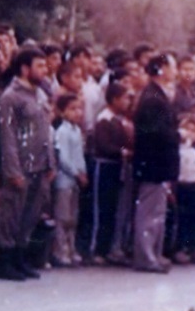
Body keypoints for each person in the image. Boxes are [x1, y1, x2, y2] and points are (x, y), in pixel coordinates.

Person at [0, 47, 54, 282]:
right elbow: (7, 137)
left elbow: (46, 131)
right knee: (11, 213)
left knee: (30, 214)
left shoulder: (40, 94)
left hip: (39, 165)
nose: (45, 70)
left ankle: (20, 258)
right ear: (25, 69)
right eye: (40, 66)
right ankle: (4, 261)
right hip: (20, 166)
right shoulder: (10, 97)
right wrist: (12, 170)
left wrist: (50, 162)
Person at [131, 52, 179, 274]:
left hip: (158, 165)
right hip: (153, 164)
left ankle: (154, 254)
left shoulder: (157, 95)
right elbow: (156, 132)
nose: (174, 71)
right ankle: (146, 256)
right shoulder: (153, 98)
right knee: (149, 213)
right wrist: (177, 135)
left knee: (157, 212)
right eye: (172, 66)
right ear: (161, 69)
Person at [86, 81, 134, 265]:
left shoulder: (120, 120)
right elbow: (104, 145)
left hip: (117, 167)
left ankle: (109, 249)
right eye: (124, 98)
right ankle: (96, 249)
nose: (127, 102)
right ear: (114, 99)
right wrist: (122, 152)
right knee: (102, 208)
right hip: (104, 166)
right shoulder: (104, 120)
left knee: (114, 209)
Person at [51, 93, 87, 267]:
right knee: (62, 217)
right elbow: (63, 158)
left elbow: (79, 155)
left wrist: (83, 171)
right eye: (72, 109)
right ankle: (60, 250)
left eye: (79, 109)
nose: (77, 112)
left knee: (73, 217)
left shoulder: (77, 131)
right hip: (64, 180)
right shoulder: (62, 132)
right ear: (62, 112)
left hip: (75, 181)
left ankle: (71, 248)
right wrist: (76, 173)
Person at [174, 115, 195, 265]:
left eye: (194, 131)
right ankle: (180, 247)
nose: (190, 133)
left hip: (193, 184)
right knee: (182, 216)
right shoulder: (178, 150)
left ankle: (194, 247)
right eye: (187, 129)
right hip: (180, 184)